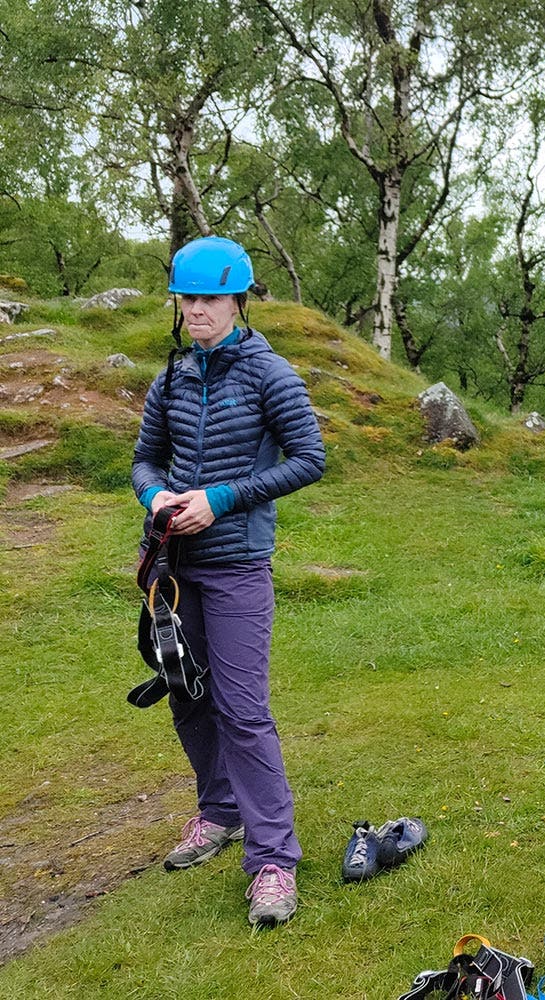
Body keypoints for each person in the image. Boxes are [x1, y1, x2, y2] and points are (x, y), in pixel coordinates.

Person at [132, 236, 325, 927]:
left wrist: (221, 498)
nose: (196, 312)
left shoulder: (272, 374)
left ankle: (273, 860)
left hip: (239, 564)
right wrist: (154, 497)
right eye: (186, 299)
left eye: (210, 298)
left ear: (239, 301)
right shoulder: (173, 376)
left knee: (243, 710)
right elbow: (145, 460)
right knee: (187, 695)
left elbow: (309, 458)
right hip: (173, 569)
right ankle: (219, 812)